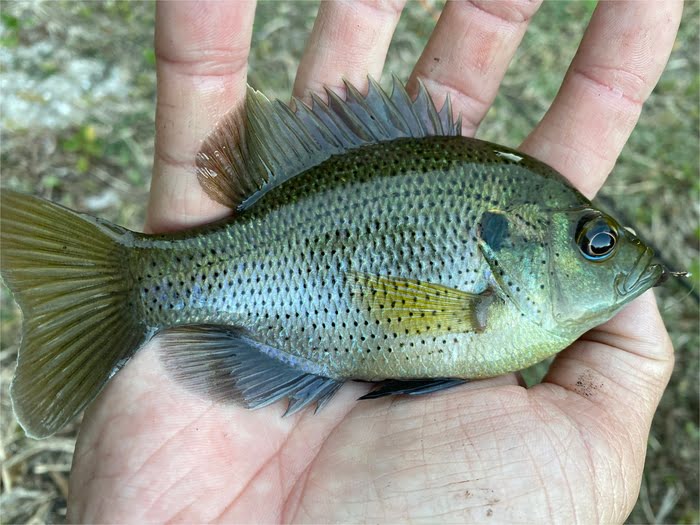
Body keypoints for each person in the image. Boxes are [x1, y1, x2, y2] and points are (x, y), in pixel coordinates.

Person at [67, 1, 682, 522]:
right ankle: (133, 277)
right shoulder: (503, 306)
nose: (613, 253)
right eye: (591, 241)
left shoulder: (513, 297)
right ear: (510, 241)